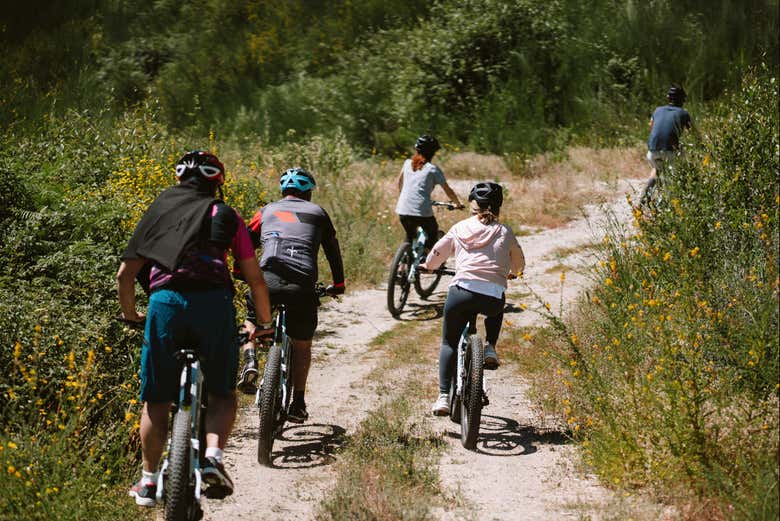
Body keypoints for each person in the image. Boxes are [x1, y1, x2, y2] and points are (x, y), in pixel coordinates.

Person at [117, 150, 274, 506]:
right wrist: (263, 323)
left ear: (178, 179)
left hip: (165, 305)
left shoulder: (159, 211)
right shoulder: (226, 215)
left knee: (156, 399)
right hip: (213, 306)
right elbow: (255, 280)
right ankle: (213, 458)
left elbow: (125, 275)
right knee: (221, 392)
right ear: (217, 182)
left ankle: (147, 481)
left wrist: (131, 315)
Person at [237, 167, 345, 423]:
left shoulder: (266, 211)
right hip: (301, 285)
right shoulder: (318, 213)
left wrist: (239, 272)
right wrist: (338, 283)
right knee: (302, 345)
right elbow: (332, 250)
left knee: (250, 321)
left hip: (267, 281)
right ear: (307, 193)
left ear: (283, 191)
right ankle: (298, 401)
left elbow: (245, 241)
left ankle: (250, 358)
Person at [419, 182, 525, 416]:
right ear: (498, 206)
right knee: (498, 301)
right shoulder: (505, 231)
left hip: (461, 293)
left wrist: (428, 266)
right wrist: (514, 272)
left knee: (449, 342)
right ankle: (490, 347)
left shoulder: (459, 227)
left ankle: (444, 396)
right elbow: (518, 261)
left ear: (473, 205)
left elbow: (438, 252)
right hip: (491, 298)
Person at [395, 134, 463, 250]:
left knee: (410, 235)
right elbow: (448, 190)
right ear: (433, 153)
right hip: (422, 212)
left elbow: (399, 183)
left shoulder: (407, 163)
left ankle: (402, 265)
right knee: (432, 234)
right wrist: (457, 203)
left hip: (402, 209)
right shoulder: (433, 169)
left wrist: (405, 196)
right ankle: (426, 263)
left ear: (416, 149)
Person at [641, 84, 693, 205]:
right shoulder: (684, 113)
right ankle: (668, 204)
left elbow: (652, 127)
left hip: (652, 150)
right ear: (682, 100)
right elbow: (694, 134)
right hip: (670, 152)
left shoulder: (657, 110)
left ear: (668, 98)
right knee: (676, 174)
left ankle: (643, 199)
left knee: (656, 170)